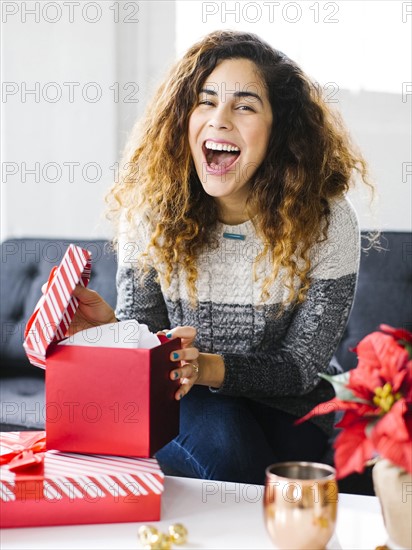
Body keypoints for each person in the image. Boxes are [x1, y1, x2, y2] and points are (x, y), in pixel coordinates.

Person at [65, 30, 372, 484]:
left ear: (280, 129)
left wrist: (206, 365)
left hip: (291, 398)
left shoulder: (328, 221)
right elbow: (148, 338)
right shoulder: (150, 212)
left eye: (245, 106)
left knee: (298, 462)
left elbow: (301, 366)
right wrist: (112, 333)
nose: (219, 120)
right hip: (187, 396)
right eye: (205, 101)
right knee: (230, 451)